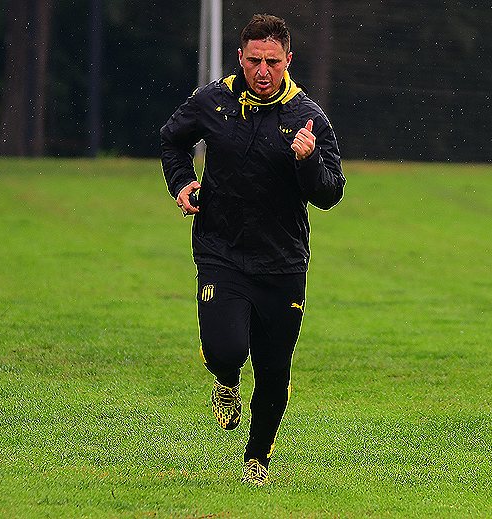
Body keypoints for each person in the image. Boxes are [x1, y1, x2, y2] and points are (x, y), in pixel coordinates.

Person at [160, 13, 345, 486]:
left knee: (274, 369)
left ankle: (256, 459)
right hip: (221, 250)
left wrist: (307, 161)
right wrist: (182, 183)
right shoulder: (213, 101)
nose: (263, 71)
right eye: (254, 61)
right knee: (225, 350)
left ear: (288, 61)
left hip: (282, 261)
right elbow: (172, 141)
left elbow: (330, 193)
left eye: (273, 62)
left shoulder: (308, 118)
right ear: (240, 57)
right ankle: (226, 380)